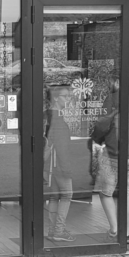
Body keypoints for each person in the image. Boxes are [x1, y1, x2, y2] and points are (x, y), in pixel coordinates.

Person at [90, 79, 129, 244]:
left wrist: (95, 138)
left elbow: (102, 125)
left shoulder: (113, 98)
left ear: (116, 81)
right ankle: (126, 233)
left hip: (113, 153)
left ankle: (115, 229)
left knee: (105, 192)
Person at [44, 84, 75, 242]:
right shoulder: (57, 118)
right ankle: (59, 230)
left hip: (50, 166)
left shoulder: (47, 115)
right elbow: (61, 147)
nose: (68, 99)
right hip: (59, 165)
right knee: (67, 195)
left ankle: (52, 230)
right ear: (56, 98)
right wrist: (67, 169)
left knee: (55, 197)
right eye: (65, 96)